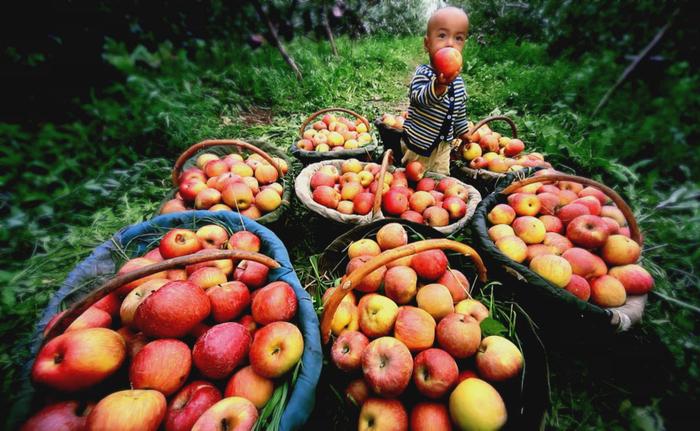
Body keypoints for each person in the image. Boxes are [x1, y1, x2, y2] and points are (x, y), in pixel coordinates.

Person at [401, 6, 470, 175]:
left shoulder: (458, 82)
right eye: (442, 35)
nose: (450, 43)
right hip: (418, 145)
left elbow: (458, 110)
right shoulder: (423, 74)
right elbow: (418, 98)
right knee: (412, 178)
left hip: (443, 147)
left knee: (439, 180)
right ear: (427, 43)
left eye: (458, 38)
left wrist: (463, 132)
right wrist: (439, 87)